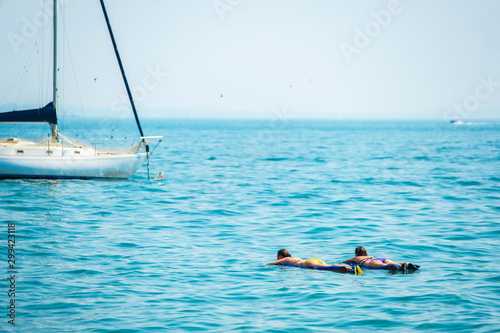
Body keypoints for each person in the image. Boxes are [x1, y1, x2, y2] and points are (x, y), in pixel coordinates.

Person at [267, 249, 360, 273]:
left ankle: (350, 269)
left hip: (308, 263)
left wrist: (265, 265)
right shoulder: (292, 258)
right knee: (328, 266)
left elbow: (271, 264)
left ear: (281, 256)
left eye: (277, 256)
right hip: (313, 260)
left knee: (328, 267)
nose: (277, 258)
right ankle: (350, 267)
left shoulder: (284, 259)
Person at [343, 246, 418, 271]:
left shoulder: (356, 258)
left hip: (371, 263)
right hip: (379, 259)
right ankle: (405, 264)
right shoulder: (369, 256)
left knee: (384, 266)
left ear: (356, 253)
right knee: (394, 263)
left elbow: (345, 261)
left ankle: (401, 267)